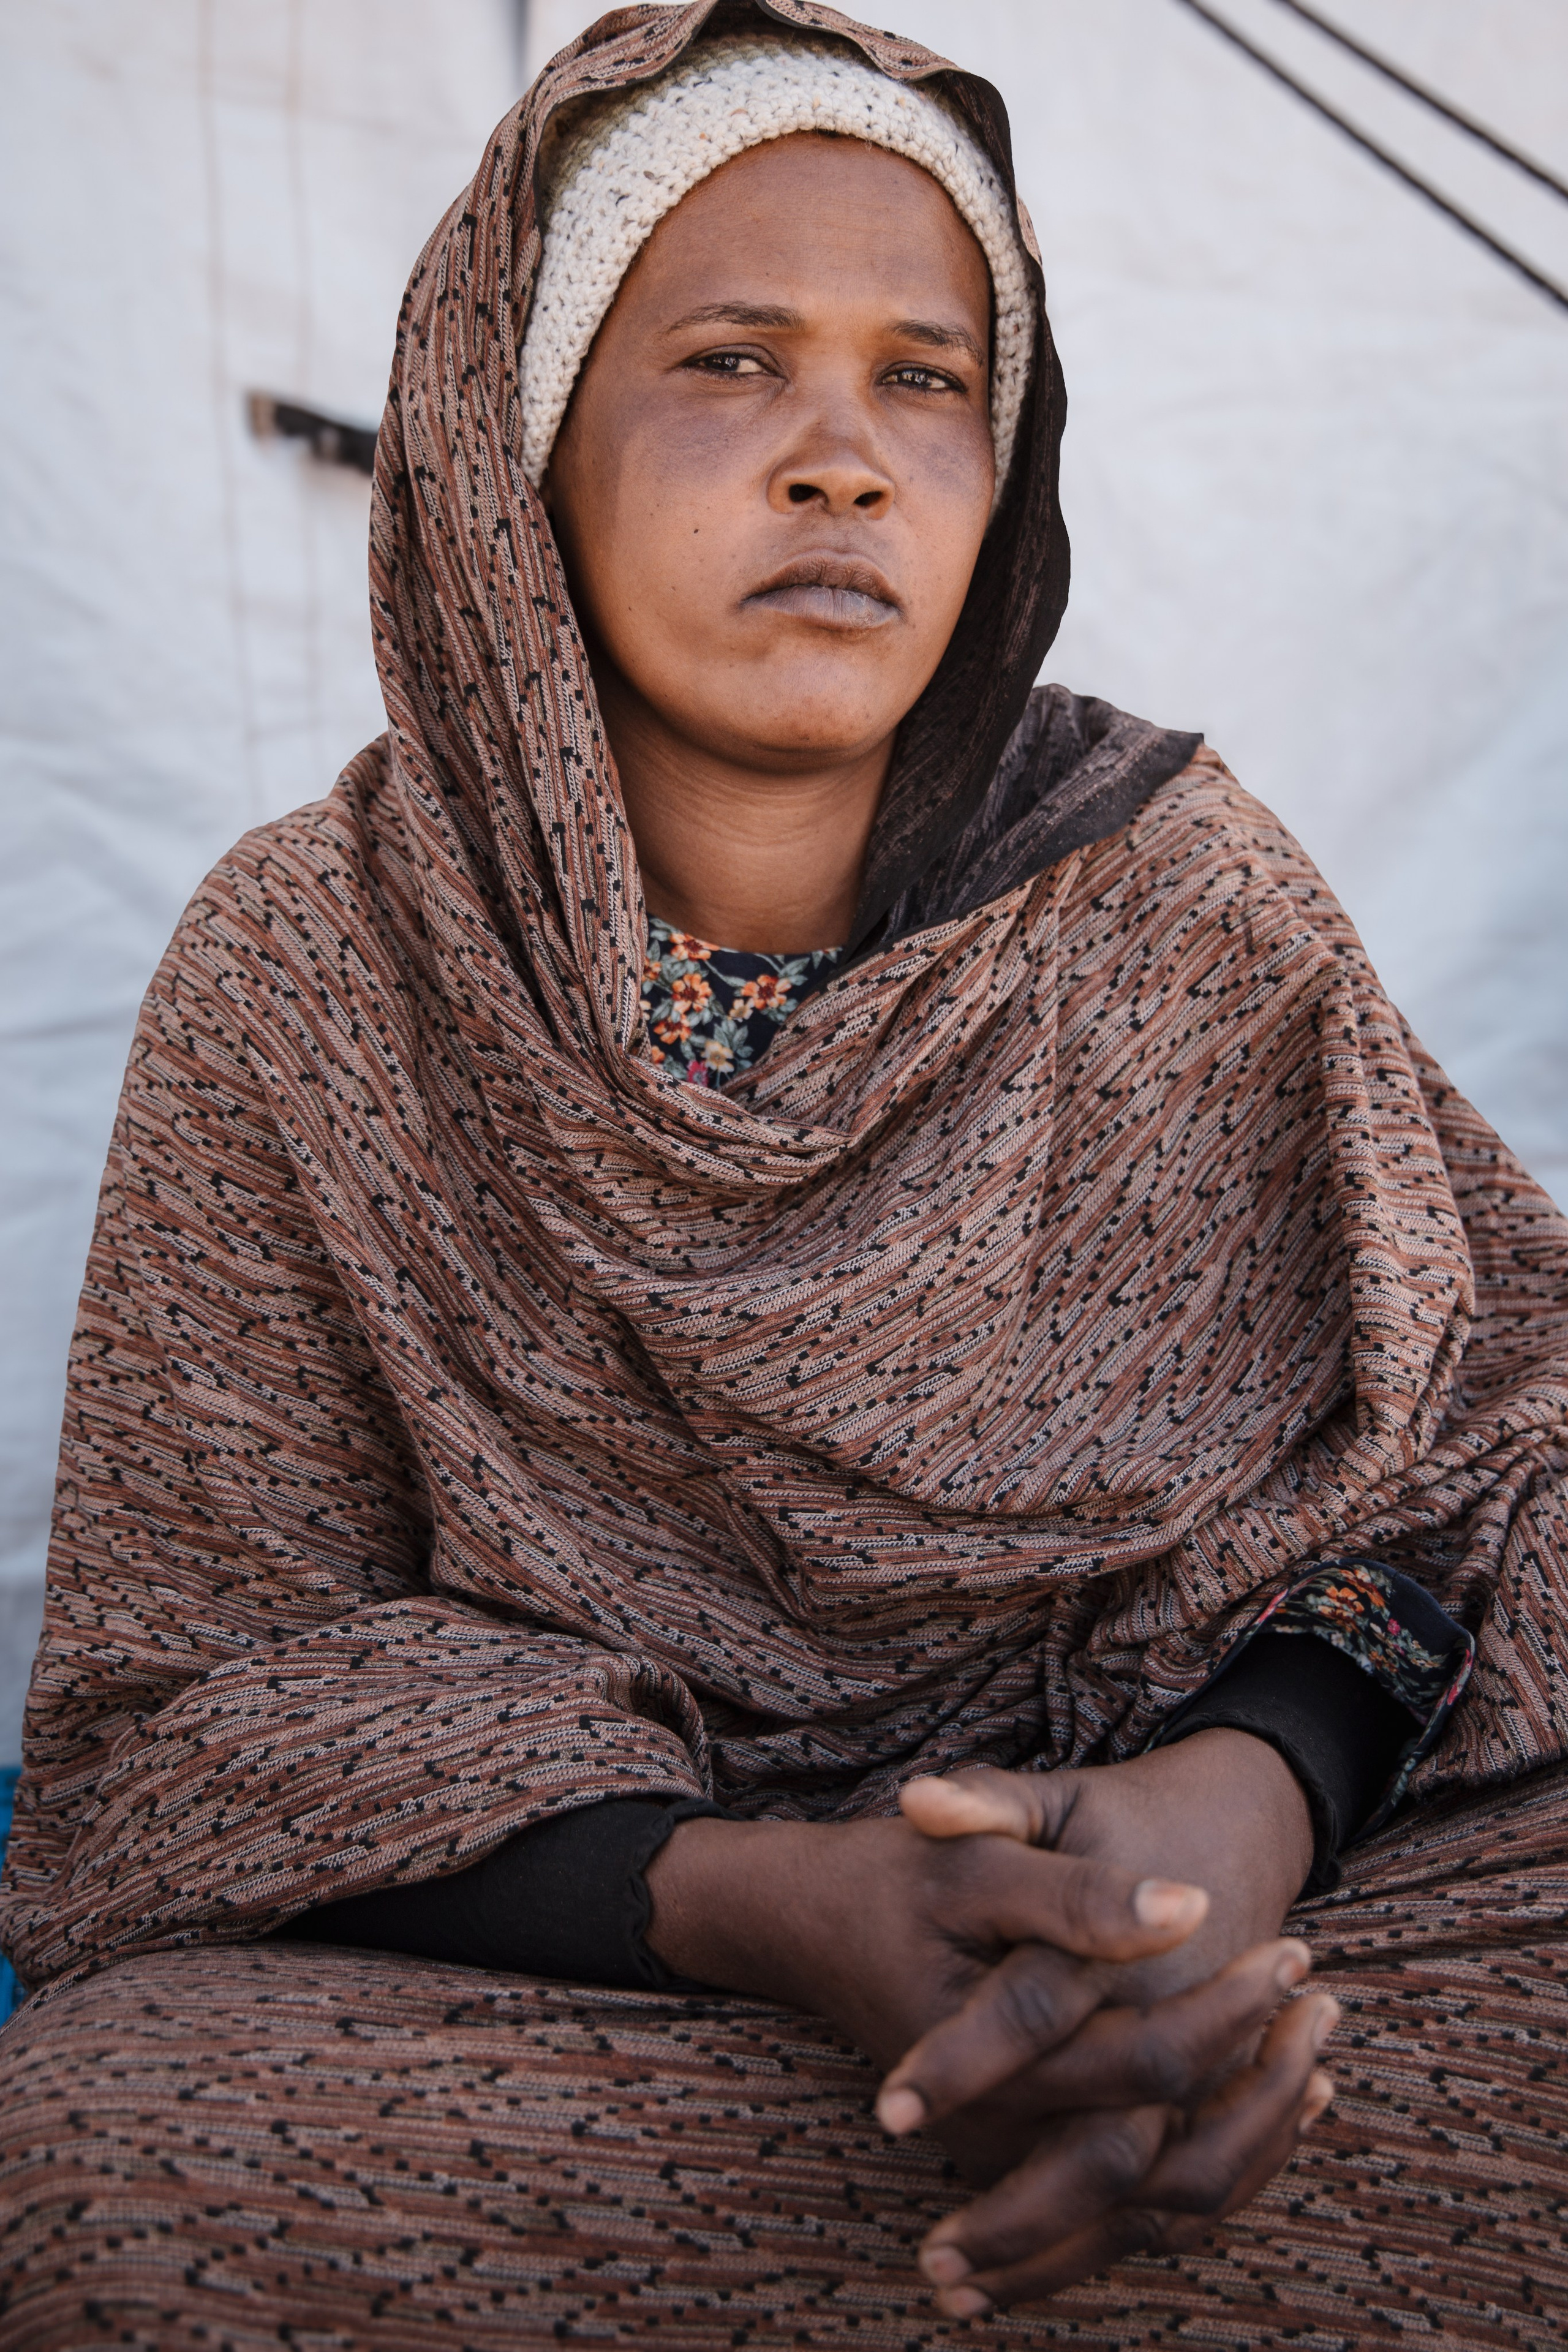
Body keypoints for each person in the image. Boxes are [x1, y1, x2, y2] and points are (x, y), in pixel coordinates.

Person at [2, 6, 1566, 2345]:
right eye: (734, 360)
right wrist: (778, 1902)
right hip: (629, 1969)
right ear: (512, 448)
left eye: (926, 381)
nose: (844, 459)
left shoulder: (1179, 904)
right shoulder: (309, 965)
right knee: (114, 2159)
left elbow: (1484, 1450)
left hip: (1235, 1903)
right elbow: (208, 1707)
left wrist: (1245, 1818)